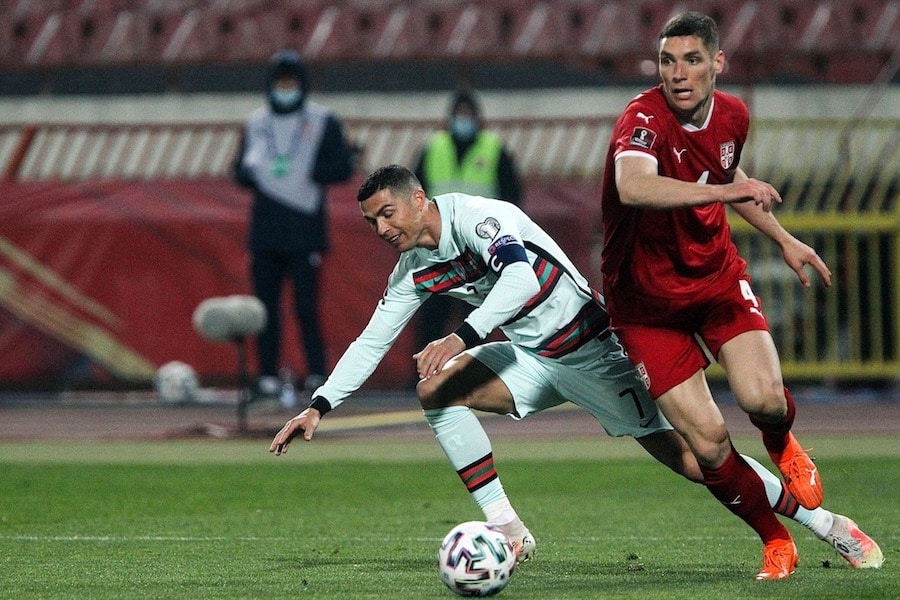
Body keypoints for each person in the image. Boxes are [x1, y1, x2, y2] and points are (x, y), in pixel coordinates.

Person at [270, 165, 881, 572]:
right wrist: (320, 405)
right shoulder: (412, 269)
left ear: (419, 200)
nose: (381, 229)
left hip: (594, 352)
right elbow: (373, 339)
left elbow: (521, 278)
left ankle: (829, 524)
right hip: (533, 359)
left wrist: (461, 335)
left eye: (387, 214)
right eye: (371, 222)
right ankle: (509, 530)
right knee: (437, 391)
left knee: (699, 461)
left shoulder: (480, 217)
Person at [600, 12, 882, 579]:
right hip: (646, 306)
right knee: (707, 445)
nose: (678, 73)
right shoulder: (642, 118)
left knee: (765, 399)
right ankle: (775, 538)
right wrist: (726, 192)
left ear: (717, 63)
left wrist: (783, 238)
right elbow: (633, 185)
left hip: (714, 280)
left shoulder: (734, 116)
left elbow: (728, 175)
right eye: (668, 61)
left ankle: (782, 442)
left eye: (692, 60)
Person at [233, 49, 356, 399]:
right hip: (267, 229)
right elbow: (238, 169)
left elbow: (342, 167)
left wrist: (315, 171)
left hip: (304, 229)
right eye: (280, 82)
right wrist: (249, 174)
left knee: (306, 307)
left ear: (302, 84)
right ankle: (267, 376)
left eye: (291, 82)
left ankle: (317, 373)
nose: (285, 89)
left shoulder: (323, 120)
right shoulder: (256, 122)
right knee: (265, 309)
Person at [410, 90, 523, 357]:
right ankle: (426, 372)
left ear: (477, 118)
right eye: (459, 114)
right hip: (439, 248)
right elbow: (414, 193)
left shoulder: (493, 149)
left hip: (479, 248)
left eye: (467, 114)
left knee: (476, 318)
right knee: (432, 316)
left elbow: (512, 195)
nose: (463, 120)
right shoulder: (434, 147)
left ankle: (472, 370)